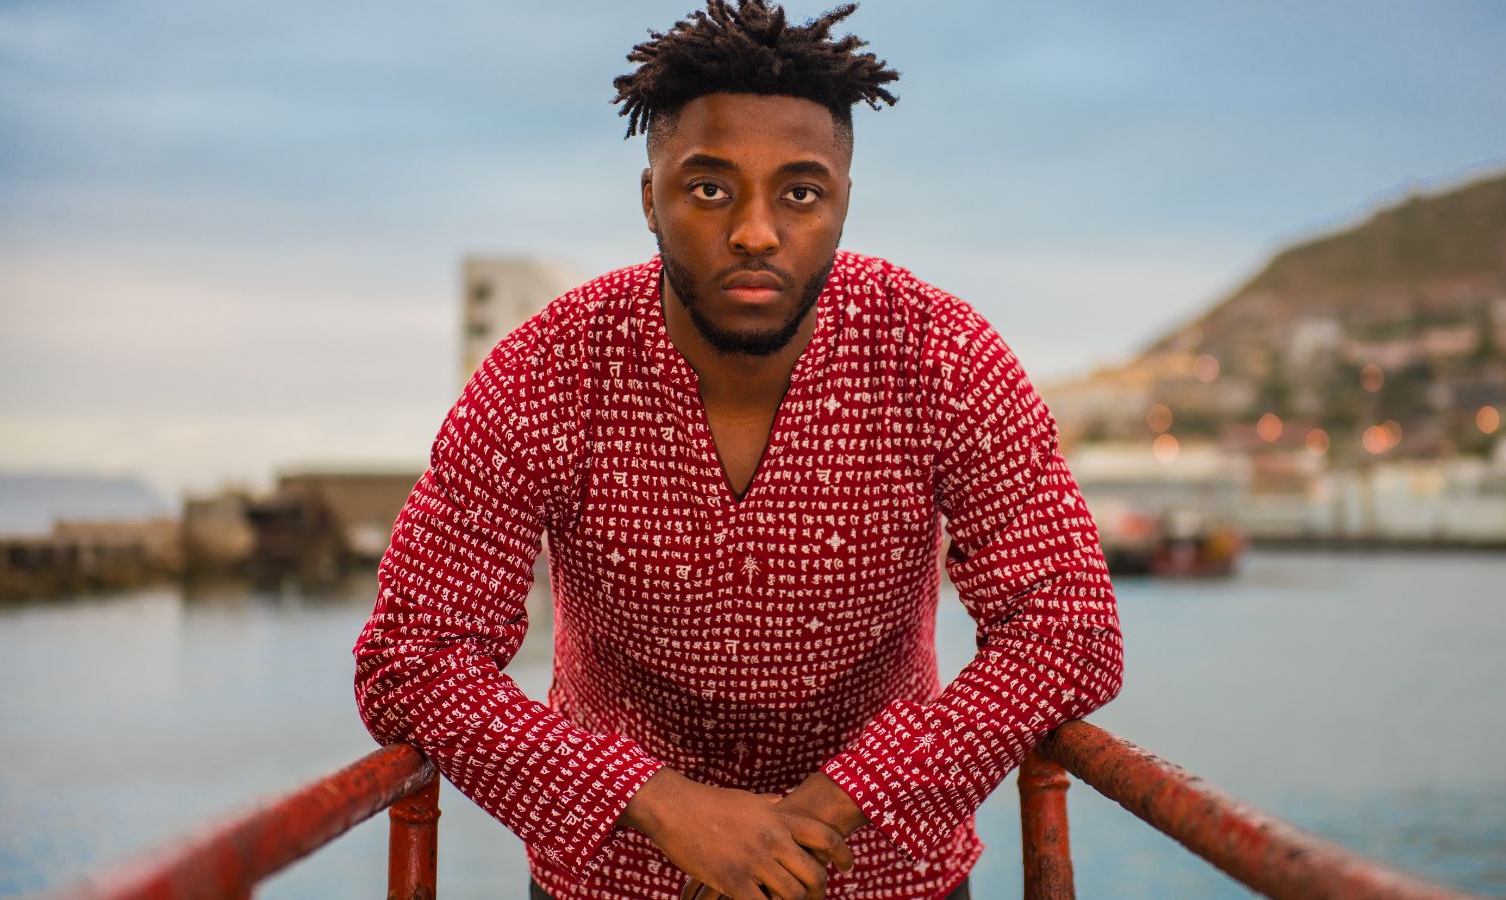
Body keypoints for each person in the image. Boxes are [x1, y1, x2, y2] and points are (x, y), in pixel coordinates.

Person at [351, 2, 1124, 898]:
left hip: (882, 875)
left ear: (841, 202)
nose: (756, 231)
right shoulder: (549, 368)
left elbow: (1068, 625)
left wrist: (833, 807)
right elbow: (412, 655)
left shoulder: (939, 353)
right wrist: (660, 804)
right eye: (711, 188)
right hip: (617, 880)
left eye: (799, 191)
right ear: (651, 198)